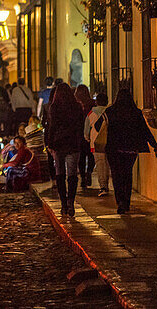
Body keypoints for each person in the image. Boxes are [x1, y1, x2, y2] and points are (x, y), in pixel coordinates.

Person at [102, 88, 157, 214]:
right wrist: (155, 146)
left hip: (113, 149)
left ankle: (120, 201)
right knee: (127, 175)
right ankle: (126, 202)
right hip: (130, 149)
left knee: (116, 175)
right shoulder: (135, 112)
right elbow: (145, 130)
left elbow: (99, 128)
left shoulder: (110, 112)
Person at [45, 81, 85, 217]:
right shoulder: (77, 107)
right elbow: (80, 126)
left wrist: (50, 144)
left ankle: (63, 204)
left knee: (60, 174)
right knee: (72, 175)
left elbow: (52, 127)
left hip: (58, 144)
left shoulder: (54, 107)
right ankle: (71, 203)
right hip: (73, 144)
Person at [86, 91, 110, 196]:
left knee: (100, 165)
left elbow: (86, 132)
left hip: (96, 144)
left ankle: (103, 186)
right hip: (109, 142)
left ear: (96, 102)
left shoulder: (91, 114)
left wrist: (89, 138)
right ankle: (107, 185)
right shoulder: (110, 112)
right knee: (108, 165)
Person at [74, 83, 95, 189]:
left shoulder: (75, 104)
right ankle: (89, 172)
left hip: (79, 133)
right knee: (91, 155)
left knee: (81, 157)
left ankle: (83, 177)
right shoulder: (92, 103)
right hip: (91, 133)